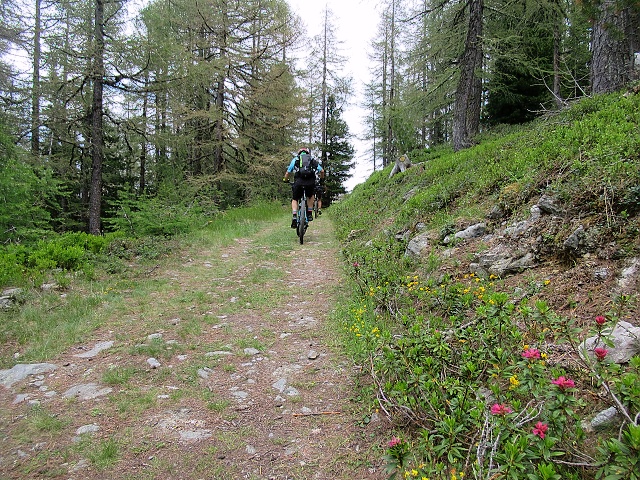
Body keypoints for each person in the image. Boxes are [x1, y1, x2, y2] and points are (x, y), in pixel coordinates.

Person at [283, 148, 324, 228]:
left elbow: (288, 172)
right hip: (310, 182)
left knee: (295, 199)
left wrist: (285, 179)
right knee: (311, 196)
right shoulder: (311, 159)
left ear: (299, 153)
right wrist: (321, 179)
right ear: (307, 153)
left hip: (299, 182)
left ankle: (294, 215)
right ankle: (309, 213)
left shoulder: (296, 159)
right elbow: (322, 171)